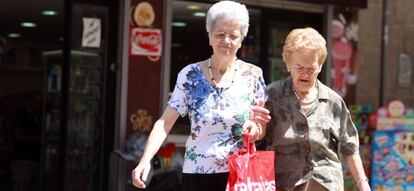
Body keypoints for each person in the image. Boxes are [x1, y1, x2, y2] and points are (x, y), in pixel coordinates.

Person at [131, 1, 267, 191]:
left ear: (241, 40)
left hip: (240, 174)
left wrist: (256, 130)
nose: (226, 41)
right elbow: (165, 123)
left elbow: (261, 126)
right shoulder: (190, 75)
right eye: (220, 34)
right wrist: (145, 160)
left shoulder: (254, 75)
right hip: (198, 173)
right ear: (209, 37)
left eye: (233, 35)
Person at [251, 28, 371, 191]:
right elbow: (258, 137)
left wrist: (363, 183)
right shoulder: (272, 96)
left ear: (320, 66)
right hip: (285, 185)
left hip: (326, 184)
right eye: (300, 67)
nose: (305, 74)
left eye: (312, 68)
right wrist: (256, 128)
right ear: (287, 63)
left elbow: (350, 146)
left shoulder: (333, 101)